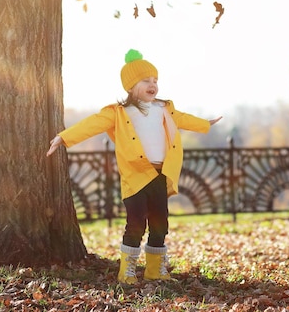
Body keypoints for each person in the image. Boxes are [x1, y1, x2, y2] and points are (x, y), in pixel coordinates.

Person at [46, 49, 222, 284]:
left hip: (160, 174)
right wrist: (64, 137)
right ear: (130, 86)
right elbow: (91, 125)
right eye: (146, 81)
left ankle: (155, 269)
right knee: (136, 223)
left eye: (155, 80)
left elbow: (183, 119)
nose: (153, 85)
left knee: (160, 223)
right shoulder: (119, 113)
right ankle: (126, 270)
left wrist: (204, 124)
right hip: (136, 176)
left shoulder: (164, 108)